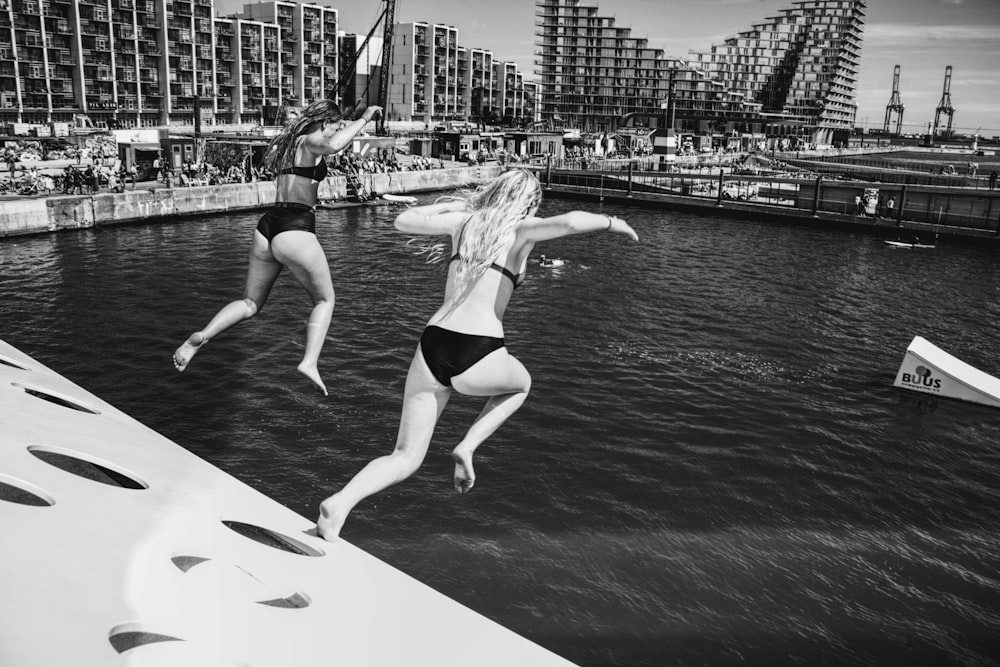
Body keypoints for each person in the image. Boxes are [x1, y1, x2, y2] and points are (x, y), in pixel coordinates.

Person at [316, 168, 639, 540]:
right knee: (521, 385)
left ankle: (340, 502)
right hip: (478, 346)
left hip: (433, 343)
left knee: (404, 456)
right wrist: (614, 222)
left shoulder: (464, 223)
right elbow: (568, 223)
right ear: (528, 202)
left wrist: (455, 206)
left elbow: (403, 221)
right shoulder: (521, 229)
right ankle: (468, 446)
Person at [172, 99, 383, 395]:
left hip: (267, 227)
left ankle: (201, 337)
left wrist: (343, 126)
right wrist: (363, 120)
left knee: (250, 303)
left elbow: (329, 144)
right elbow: (334, 146)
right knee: (325, 300)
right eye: (335, 126)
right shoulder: (311, 141)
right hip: (295, 227)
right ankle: (309, 361)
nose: (336, 132)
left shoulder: (285, 144)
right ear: (325, 124)